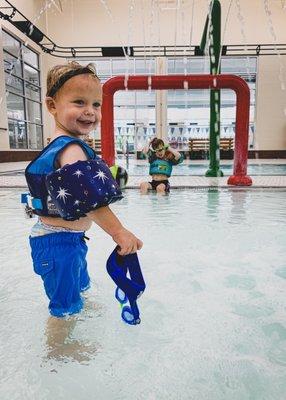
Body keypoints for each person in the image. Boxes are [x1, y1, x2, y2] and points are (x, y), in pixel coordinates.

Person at [24, 61, 143, 321]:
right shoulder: (71, 150)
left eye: (96, 104)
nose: (90, 111)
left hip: (67, 240)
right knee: (64, 310)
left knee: (79, 297)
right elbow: (91, 201)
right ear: (52, 105)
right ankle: (60, 353)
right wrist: (118, 231)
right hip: (58, 243)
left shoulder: (63, 145)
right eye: (79, 102)